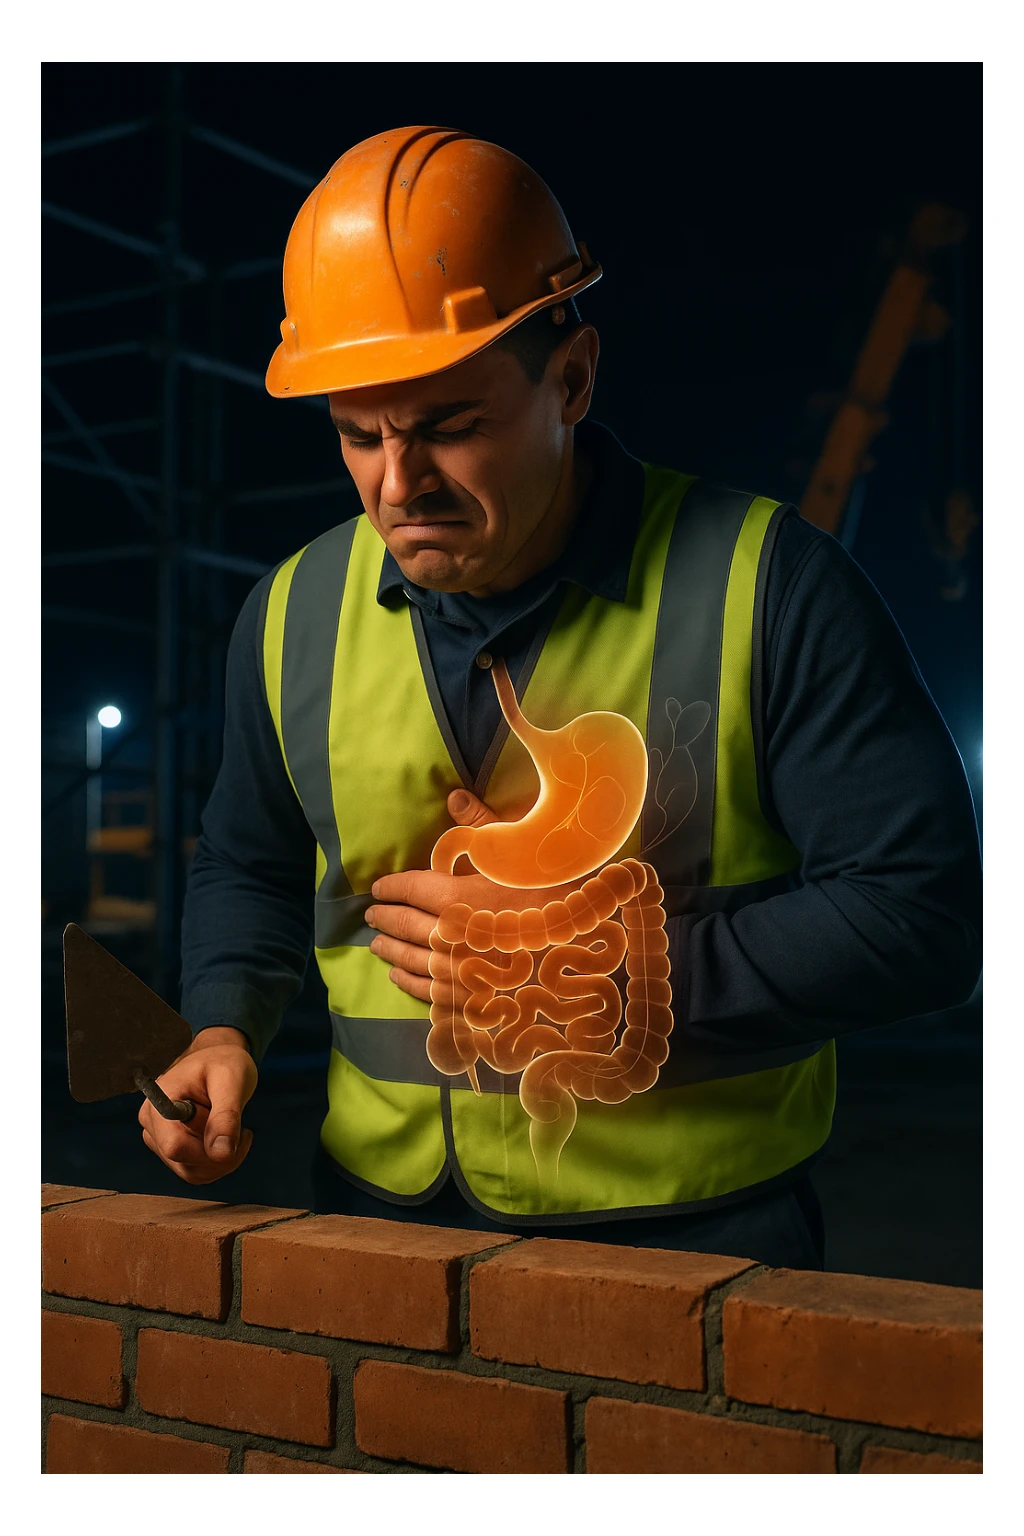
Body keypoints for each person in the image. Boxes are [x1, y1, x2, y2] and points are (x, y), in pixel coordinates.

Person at [138, 126, 982, 1269]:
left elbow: (924, 916)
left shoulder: (770, 586)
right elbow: (252, 863)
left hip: (694, 1249)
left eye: (449, 426)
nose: (400, 485)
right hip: (371, 1232)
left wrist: (608, 969)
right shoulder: (290, 613)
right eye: (358, 436)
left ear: (572, 377)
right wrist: (225, 1023)